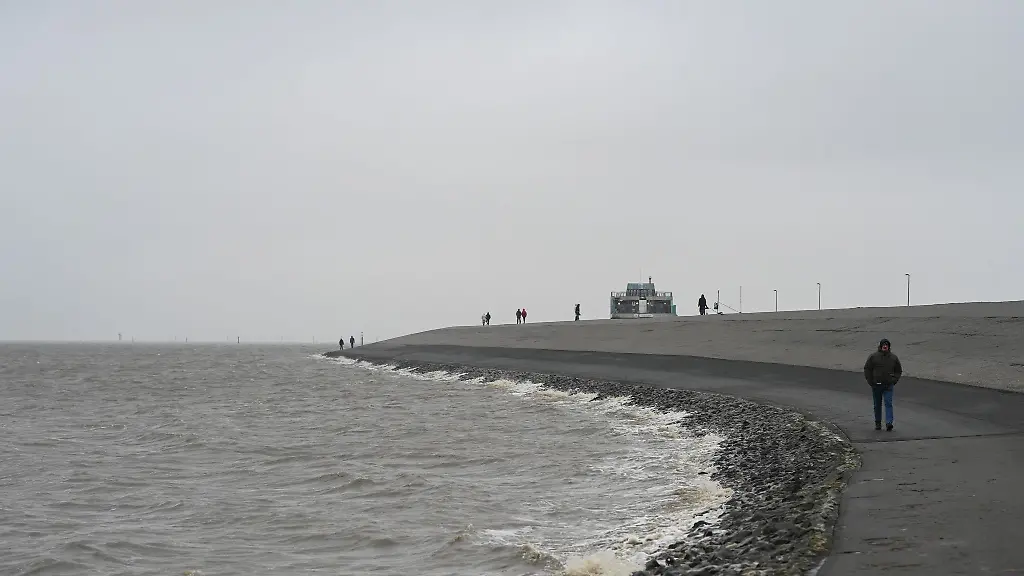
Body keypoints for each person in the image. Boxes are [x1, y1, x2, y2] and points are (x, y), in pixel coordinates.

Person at [863, 338, 903, 431]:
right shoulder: (873, 357)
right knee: (877, 405)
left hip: (888, 385)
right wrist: (870, 381)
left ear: (889, 347)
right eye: (883, 345)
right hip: (876, 385)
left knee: (888, 403)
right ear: (880, 346)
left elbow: (898, 370)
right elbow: (867, 369)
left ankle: (889, 423)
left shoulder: (893, 358)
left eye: (887, 345)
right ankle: (878, 423)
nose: (885, 346)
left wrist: (894, 380)